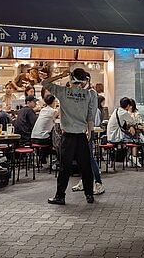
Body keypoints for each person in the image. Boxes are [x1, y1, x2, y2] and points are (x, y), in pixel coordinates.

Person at [42, 68, 98, 205]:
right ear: (84, 80)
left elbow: (44, 82)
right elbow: (91, 116)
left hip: (68, 137)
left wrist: (61, 75)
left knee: (64, 168)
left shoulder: (63, 92)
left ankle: (60, 196)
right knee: (86, 167)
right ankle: (89, 195)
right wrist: (90, 132)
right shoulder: (89, 94)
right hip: (82, 136)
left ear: (71, 78)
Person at [31, 94, 58, 163]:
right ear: (53, 102)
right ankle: (56, 160)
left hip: (33, 137)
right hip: (42, 139)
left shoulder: (43, 110)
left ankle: (43, 158)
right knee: (57, 141)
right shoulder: (53, 111)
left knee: (49, 136)